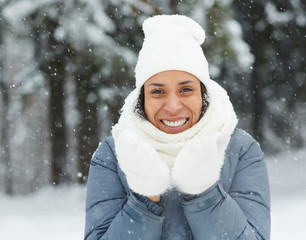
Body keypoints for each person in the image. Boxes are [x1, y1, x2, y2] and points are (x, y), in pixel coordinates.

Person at [84, 15, 270, 240]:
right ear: (142, 98)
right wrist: (145, 199)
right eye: (157, 91)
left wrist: (204, 191)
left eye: (186, 90)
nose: (172, 106)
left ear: (203, 94)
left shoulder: (241, 150)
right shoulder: (114, 154)